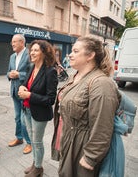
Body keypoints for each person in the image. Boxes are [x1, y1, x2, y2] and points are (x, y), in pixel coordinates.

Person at [51, 36, 120, 177]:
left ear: (90, 56)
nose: (70, 54)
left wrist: (91, 157)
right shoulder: (75, 76)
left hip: (82, 147)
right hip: (68, 140)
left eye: (76, 51)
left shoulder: (101, 84)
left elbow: (103, 126)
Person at [18, 40, 58, 177]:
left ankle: (39, 168)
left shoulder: (50, 71)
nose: (32, 53)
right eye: (31, 50)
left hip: (40, 113)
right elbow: (26, 83)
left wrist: (29, 94)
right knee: (32, 138)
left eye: (35, 50)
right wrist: (22, 86)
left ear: (44, 52)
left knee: (37, 141)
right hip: (27, 110)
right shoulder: (32, 67)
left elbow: (50, 99)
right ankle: (35, 163)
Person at [7, 34, 32, 154]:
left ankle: (29, 142)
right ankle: (19, 138)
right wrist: (9, 74)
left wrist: (19, 75)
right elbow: (8, 71)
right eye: (12, 42)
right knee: (17, 117)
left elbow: (32, 73)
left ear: (22, 42)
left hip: (24, 92)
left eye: (15, 42)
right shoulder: (12, 56)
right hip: (14, 91)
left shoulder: (29, 55)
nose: (12, 44)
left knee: (24, 120)